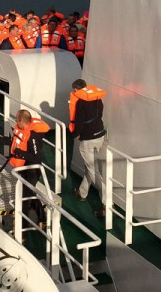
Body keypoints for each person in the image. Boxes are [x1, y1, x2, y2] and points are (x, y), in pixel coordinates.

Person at [0, 110, 51, 228]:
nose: (15, 122)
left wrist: (20, 153)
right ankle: (42, 217)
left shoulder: (33, 136)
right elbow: (14, 142)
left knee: (25, 197)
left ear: (22, 121)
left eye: (17, 120)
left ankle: (23, 227)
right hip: (23, 167)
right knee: (29, 192)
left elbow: (35, 157)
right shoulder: (21, 130)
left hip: (32, 169)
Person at [69, 79, 107, 217]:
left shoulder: (80, 102)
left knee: (94, 171)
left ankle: (107, 204)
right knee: (89, 167)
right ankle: (82, 192)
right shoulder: (97, 98)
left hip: (88, 139)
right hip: (100, 135)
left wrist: (75, 134)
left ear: (76, 90)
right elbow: (100, 115)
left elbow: (78, 122)